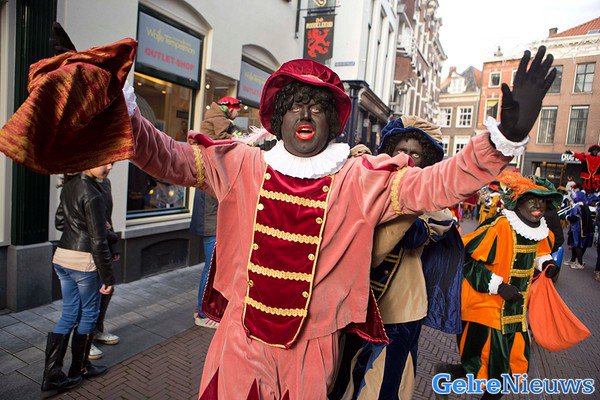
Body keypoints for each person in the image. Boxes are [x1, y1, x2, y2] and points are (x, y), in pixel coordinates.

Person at [10, 27, 555, 399]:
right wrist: (109, 96)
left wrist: (503, 138)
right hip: (240, 336)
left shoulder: (361, 179)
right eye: (295, 104)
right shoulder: (239, 164)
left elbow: (440, 182)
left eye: (317, 106)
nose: (305, 113)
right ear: (278, 115)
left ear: (333, 121)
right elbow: (164, 155)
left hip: (313, 345)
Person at [330, 116, 465, 400]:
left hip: (399, 307)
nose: (406, 157)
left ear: (426, 160)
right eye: (400, 150)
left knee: (383, 383)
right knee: (343, 370)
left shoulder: (435, 206)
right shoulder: (373, 183)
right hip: (357, 297)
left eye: (415, 153)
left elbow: (415, 236)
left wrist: (395, 198)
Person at [435, 171, 562, 400]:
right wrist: (498, 286)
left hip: (516, 313)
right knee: (488, 368)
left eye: (542, 201)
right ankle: (449, 373)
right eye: (532, 199)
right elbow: (466, 258)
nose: (538, 206)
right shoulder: (499, 227)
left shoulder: (539, 229)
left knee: (509, 370)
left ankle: (448, 372)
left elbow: (539, 251)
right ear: (519, 202)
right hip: (488, 309)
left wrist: (547, 264)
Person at [42, 165, 114, 394]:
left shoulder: (69, 185)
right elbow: (98, 241)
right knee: (90, 313)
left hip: (62, 257)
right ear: (89, 161)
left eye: (112, 163)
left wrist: (85, 224)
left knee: (69, 314)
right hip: (83, 262)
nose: (109, 167)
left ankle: (52, 375)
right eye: (105, 162)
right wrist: (108, 277)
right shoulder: (93, 193)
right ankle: (80, 367)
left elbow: (60, 223)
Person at [190, 97, 243, 328]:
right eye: (236, 110)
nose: (237, 114)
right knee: (210, 267)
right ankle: (202, 313)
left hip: (212, 222)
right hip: (211, 225)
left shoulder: (216, 121)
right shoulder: (212, 177)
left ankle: (207, 310)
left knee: (213, 267)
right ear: (228, 109)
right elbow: (228, 141)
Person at [565, 190, 594, 269]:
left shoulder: (577, 206)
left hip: (578, 230)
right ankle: (573, 260)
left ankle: (580, 263)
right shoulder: (584, 206)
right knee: (576, 246)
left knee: (577, 246)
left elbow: (574, 218)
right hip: (583, 230)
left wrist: (567, 217)